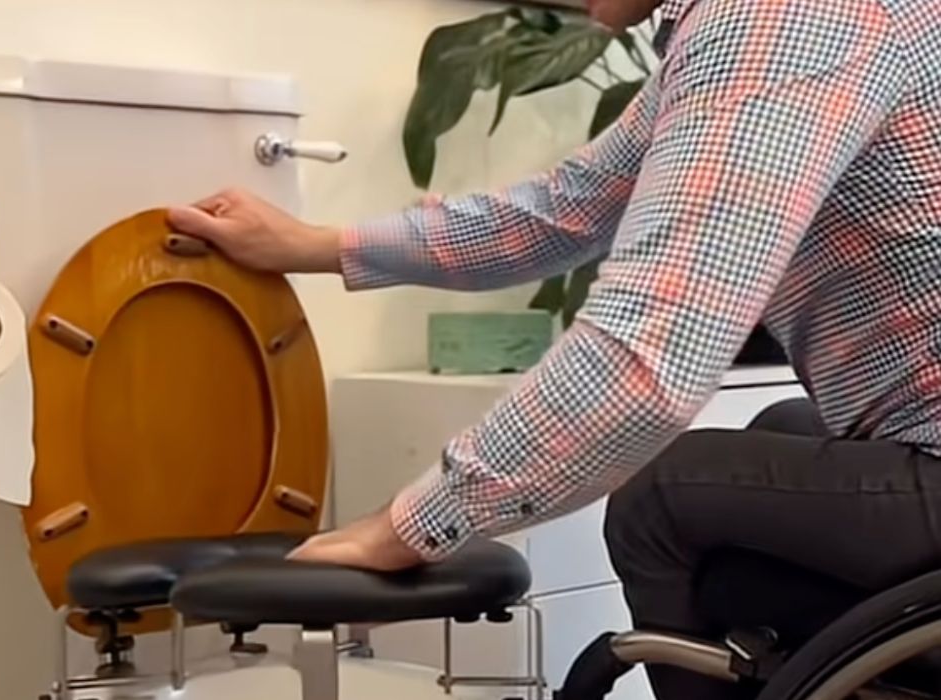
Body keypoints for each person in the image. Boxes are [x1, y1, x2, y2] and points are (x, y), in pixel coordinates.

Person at [167, 0, 941, 697]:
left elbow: (648, 353)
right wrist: (315, 244)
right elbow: (558, 213)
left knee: (663, 496)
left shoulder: (785, 22)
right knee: (779, 431)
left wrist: (409, 524)